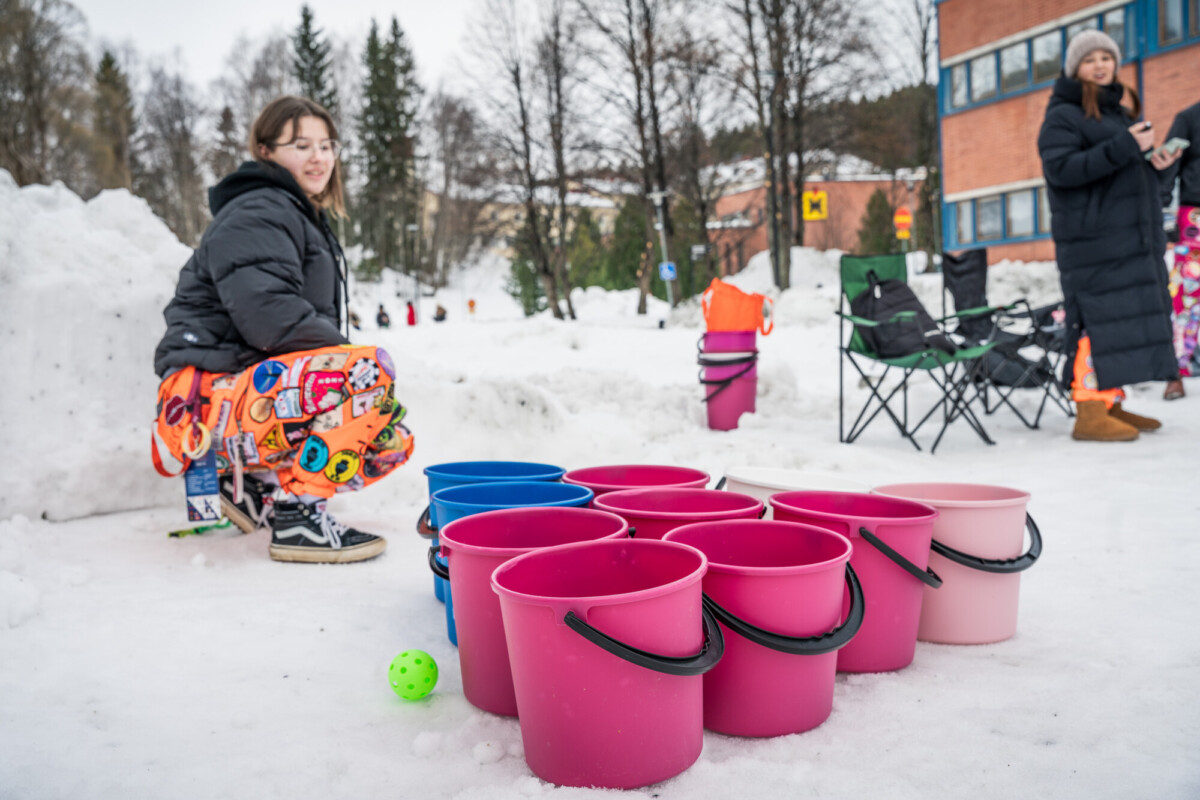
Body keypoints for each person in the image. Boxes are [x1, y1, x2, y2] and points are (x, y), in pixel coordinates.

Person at [151, 96, 414, 563]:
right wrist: (353, 368)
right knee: (366, 376)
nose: (319, 157)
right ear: (266, 151)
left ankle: (255, 490)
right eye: (301, 145)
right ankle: (300, 517)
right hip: (204, 403)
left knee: (390, 439)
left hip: (234, 397)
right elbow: (268, 316)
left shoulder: (292, 212)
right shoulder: (259, 210)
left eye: (327, 145)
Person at [1037, 30, 1181, 442]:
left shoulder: (1119, 114)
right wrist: (1123, 146)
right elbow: (1061, 170)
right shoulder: (1063, 116)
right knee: (1094, 324)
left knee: (1124, 325)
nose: (1100, 64)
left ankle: (1111, 402)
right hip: (1092, 244)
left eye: (1107, 56)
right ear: (1075, 68)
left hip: (1131, 242)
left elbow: (1135, 179)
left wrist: (1161, 164)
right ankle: (1088, 410)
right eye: (1090, 59)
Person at [1158, 99, 1200, 400]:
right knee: (1187, 297)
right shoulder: (1188, 119)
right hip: (1194, 216)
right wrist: (1162, 212)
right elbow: (1168, 165)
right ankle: (1176, 372)